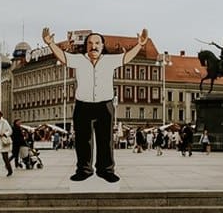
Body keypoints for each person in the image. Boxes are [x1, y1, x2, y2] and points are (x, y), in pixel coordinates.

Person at [42, 26, 147, 182]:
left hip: (104, 105)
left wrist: (140, 44)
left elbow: (126, 58)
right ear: (86, 46)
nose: (94, 46)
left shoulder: (110, 61)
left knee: (105, 140)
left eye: (97, 43)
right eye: (90, 43)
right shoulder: (79, 59)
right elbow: (63, 57)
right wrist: (50, 44)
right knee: (82, 140)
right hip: (83, 105)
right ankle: (84, 169)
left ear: (102, 46)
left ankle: (106, 170)